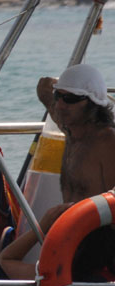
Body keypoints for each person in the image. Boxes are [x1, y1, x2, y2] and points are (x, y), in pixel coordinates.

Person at [36, 64, 115, 203]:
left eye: (70, 98)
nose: (60, 105)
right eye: (58, 96)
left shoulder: (107, 142)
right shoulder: (73, 133)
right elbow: (44, 89)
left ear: (92, 103)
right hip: (71, 222)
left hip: (97, 224)